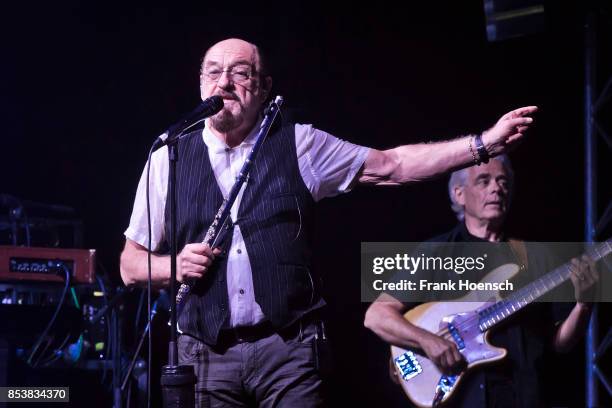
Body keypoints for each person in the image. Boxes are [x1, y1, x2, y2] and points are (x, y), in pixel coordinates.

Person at [120, 37, 537, 407]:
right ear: (200, 83)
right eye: (213, 72)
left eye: (240, 73)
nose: (224, 82)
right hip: (204, 356)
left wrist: (483, 144)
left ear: (264, 88)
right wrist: (171, 267)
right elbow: (130, 265)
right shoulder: (168, 157)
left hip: (288, 352)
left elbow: (393, 165)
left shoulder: (299, 143)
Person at [364, 155, 599, 407]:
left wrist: (584, 305)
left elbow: (559, 344)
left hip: (525, 395)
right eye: (483, 181)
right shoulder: (437, 251)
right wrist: (427, 341)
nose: (496, 188)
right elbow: (377, 316)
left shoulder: (536, 256)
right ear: (459, 194)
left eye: (502, 181)